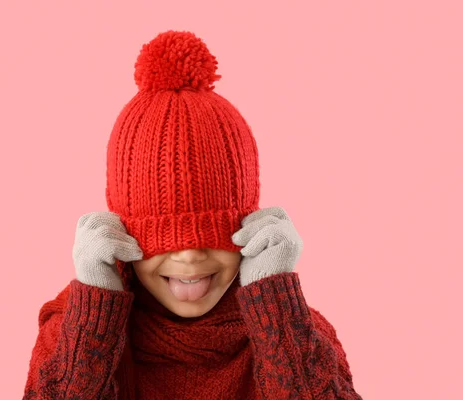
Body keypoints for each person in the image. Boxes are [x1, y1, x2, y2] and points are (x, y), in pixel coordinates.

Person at [22, 30, 363, 400]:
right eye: (161, 235)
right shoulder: (71, 335)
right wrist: (95, 313)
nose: (189, 255)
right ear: (122, 233)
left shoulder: (298, 334)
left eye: (213, 232)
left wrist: (277, 310)